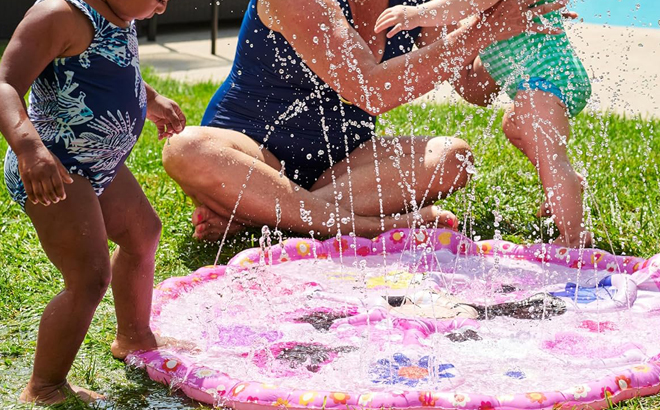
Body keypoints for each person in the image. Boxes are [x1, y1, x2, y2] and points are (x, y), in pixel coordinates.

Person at [161, 0, 568, 243]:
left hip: (343, 165)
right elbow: (371, 90)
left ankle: (261, 209)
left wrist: (516, 26)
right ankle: (376, 226)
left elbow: (473, 87)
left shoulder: (418, 2)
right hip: (253, 152)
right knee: (186, 149)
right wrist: (480, 32)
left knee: (454, 157)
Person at [0, 0, 186, 404]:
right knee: (88, 275)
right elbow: (5, 85)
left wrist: (149, 99)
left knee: (143, 233)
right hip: (54, 166)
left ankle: (133, 337)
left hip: (98, 162)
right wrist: (30, 148)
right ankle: (45, 386)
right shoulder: (60, 15)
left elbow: (113, 66)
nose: (162, 5)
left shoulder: (121, 13)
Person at [376, 0, 592, 247]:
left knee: (552, 159)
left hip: (546, 84)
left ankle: (573, 237)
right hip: (544, 83)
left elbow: (460, 6)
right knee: (515, 128)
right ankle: (564, 184)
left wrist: (416, 14)